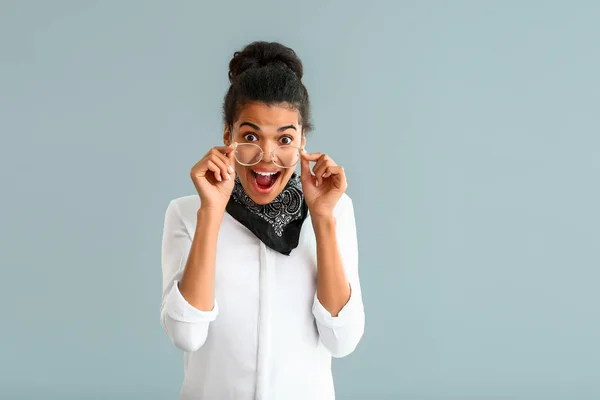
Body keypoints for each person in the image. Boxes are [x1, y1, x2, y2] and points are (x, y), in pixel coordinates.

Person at [160, 41, 365, 400]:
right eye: (251, 136)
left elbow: (342, 339)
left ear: (302, 140)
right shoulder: (186, 213)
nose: (267, 156)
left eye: (284, 138)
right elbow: (186, 335)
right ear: (229, 135)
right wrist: (211, 212)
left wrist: (322, 219)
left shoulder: (334, 211)